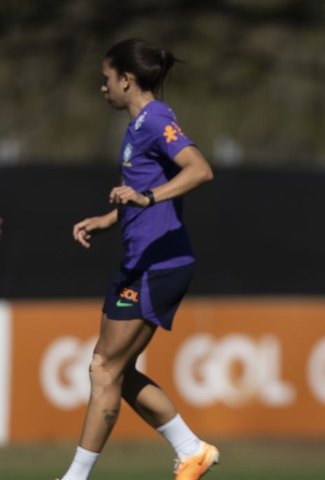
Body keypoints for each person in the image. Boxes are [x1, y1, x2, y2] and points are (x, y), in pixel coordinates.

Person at [59, 39, 217, 480]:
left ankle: (75, 477)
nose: (103, 87)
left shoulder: (156, 119)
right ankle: (192, 450)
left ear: (126, 80)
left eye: (106, 79)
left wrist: (146, 197)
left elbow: (200, 169)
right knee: (115, 369)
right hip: (138, 261)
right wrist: (111, 218)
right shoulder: (138, 126)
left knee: (103, 368)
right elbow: (145, 189)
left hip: (158, 265)